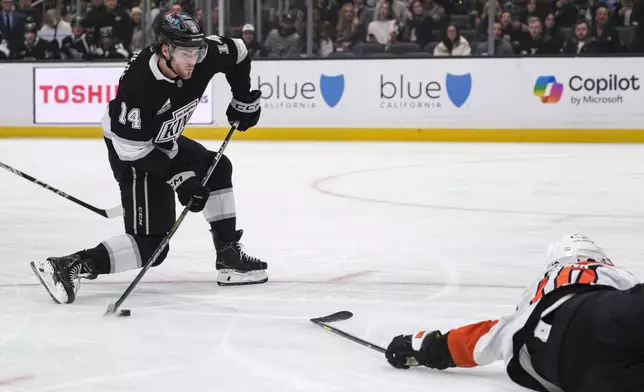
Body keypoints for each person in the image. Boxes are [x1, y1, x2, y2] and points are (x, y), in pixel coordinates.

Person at [31, 12, 268, 305]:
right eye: (184, 53)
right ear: (165, 50)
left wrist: (243, 98)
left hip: (162, 140)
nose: (192, 59)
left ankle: (229, 256)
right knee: (152, 247)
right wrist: (180, 178)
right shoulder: (139, 85)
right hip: (134, 152)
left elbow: (240, 53)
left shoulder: (206, 52)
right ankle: (69, 264)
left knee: (217, 168)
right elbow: (132, 150)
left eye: (195, 51)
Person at [386, 234, 642, 392]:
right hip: (593, 316)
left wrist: (424, 346)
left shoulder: (536, 291)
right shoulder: (608, 272)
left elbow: (492, 335)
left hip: (558, 368)